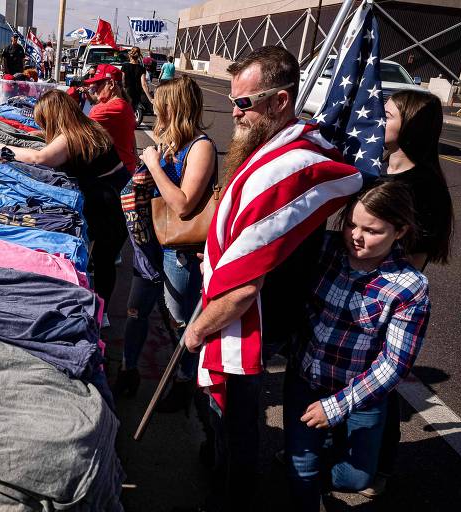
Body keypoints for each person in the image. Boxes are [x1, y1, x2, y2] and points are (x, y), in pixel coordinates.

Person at [177, 46, 362, 512]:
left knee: (237, 426)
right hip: (242, 306)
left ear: (280, 102)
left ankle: (230, 498)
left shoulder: (290, 166)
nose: (235, 113)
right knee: (225, 422)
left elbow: (245, 282)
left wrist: (197, 330)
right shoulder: (270, 147)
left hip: (251, 320)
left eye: (244, 103)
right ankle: (218, 471)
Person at [284, 179, 430, 512]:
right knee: (302, 472)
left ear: (401, 230)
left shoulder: (410, 287)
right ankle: (304, 466)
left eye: (372, 230)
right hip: (305, 381)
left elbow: (394, 363)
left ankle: (315, 451)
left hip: (360, 396)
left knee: (354, 479)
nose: (356, 236)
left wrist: (335, 407)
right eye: (351, 223)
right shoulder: (325, 248)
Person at [362, 90, 454, 498]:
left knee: (379, 384)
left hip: (386, 302)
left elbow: (412, 263)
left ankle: (379, 464)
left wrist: (376, 298)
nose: (378, 118)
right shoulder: (379, 169)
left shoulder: (424, 186)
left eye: (387, 113)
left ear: (411, 126)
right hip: (354, 290)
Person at [114, 76, 217, 402]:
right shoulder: (167, 139)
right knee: (135, 311)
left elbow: (184, 204)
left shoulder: (201, 147)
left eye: (161, 104)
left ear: (175, 107)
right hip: (151, 243)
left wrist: (153, 166)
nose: (155, 109)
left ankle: (185, 380)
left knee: (178, 319)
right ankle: (128, 370)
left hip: (179, 248)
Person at [6, 90, 129, 314]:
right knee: (104, 259)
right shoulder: (87, 128)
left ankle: (99, 313)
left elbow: (40, 158)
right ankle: (102, 308)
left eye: (44, 122)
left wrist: (3, 149)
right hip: (116, 198)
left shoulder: (70, 137)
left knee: (103, 261)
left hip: (109, 204)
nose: (44, 128)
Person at [82, 63, 138, 173]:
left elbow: (78, 135)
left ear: (111, 84)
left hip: (112, 174)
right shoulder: (125, 105)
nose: (94, 88)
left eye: (98, 84)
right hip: (123, 169)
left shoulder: (107, 109)